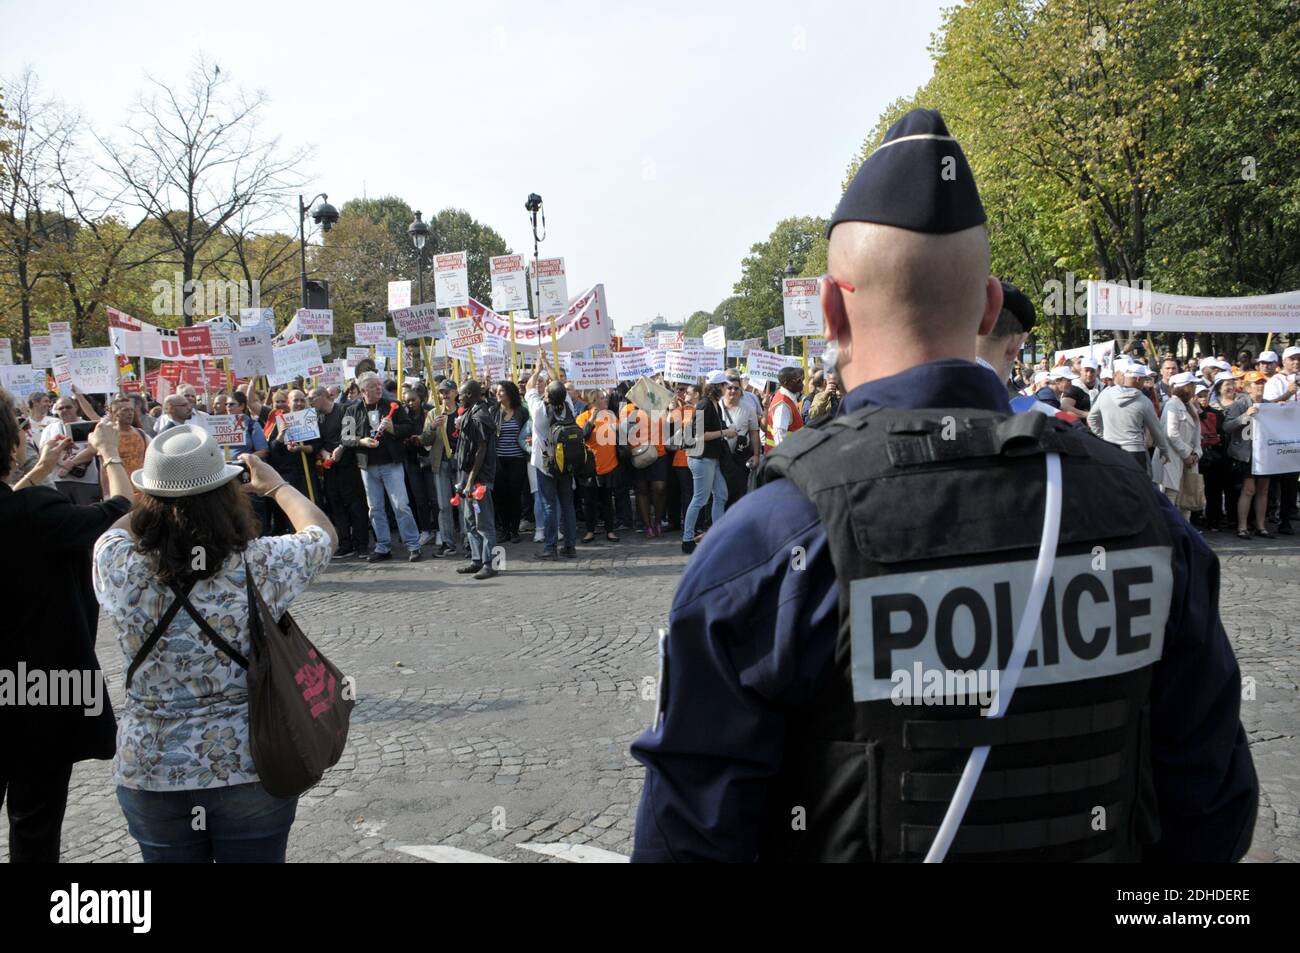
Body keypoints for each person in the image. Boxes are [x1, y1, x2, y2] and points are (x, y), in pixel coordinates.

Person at [630, 108, 1256, 863]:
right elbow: (1212, 813)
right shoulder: (1142, 515)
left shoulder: (765, 546)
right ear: (991, 305)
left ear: (830, 310)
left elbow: (689, 844)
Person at [91, 426, 337, 862]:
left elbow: (114, 529)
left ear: (147, 495)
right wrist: (276, 484)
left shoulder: (118, 564)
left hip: (152, 769)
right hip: (248, 764)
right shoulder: (259, 562)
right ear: (227, 493)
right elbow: (321, 535)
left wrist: (153, 498)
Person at [1, 393, 133, 862]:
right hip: (38, 692)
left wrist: (39, 474)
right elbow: (121, 511)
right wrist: (110, 452)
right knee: (34, 825)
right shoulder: (35, 513)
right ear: (12, 447)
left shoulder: (28, 507)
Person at [341, 373, 423, 563]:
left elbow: (409, 428)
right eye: (373, 386)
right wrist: (361, 441)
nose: (379, 388)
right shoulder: (351, 410)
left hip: (391, 464)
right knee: (375, 509)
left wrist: (393, 429)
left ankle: (413, 545)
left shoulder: (392, 405)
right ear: (363, 390)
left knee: (401, 505)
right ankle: (383, 546)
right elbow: (345, 438)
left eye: (379, 384)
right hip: (367, 467)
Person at [526, 356, 579, 558]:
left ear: (547, 394)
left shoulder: (539, 410)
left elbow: (530, 386)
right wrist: (548, 363)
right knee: (567, 504)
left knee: (549, 505)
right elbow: (557, 381)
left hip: (545, 465)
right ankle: (570, 546)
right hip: (566, 463)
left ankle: (550, 547)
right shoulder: (568, 405)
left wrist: (538, 368)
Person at [311, 385, 370, 560]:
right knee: (335, 505)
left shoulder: (346, 410)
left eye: (312, 398)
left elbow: (351, 433)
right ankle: (345, 544)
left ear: (322, 396)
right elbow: (316, 441)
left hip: (348, 465)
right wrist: (323, 452)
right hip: (330, 467)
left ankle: (361, 545)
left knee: (355, 505)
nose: (310, 402)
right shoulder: (316, 418)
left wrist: (341, 449)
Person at [1087, 364, 1174, 474]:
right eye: (1144, 379)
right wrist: (1164, 450)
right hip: (1135, 452)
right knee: (1137, 488)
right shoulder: (1144, 401)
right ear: (1138, 379)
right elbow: (1156, 429)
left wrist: (1103, 437)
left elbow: (1092, 419)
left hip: (1110, 450)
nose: (1144, 383)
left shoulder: (1105, 394)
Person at [452, 379, 499, 579]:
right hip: (467, 475)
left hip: (479, 478)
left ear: (470, 395)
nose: (458, 398)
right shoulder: (471, 411)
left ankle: (492, 564)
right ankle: (476, 559)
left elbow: (481, 449)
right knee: (470, 520)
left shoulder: (481, 415)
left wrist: (471, 480)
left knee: (484, 523)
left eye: (461, 395)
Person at [681, 373, 732, 554]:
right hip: (701, 458)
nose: (727, 388)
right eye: (725, 385)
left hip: (710, 458)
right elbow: (700, 435)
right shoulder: (705, 404)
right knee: (700, 499)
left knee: (721, 494)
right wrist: (725, 433)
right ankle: (687, 540)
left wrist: (726, 430)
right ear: (718, 386)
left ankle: (718, 536)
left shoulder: (713, 404)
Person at [1224, 371, 1271, 539]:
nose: (1259, 386)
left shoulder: (1267, 403)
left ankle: (1260, 525)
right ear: (1247, 387)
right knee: (1249, 489)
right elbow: (1227, 426)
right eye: (1255, 383)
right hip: (1247, 453)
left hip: (1264, 453)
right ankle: (1242, 526)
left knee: (1263, 489)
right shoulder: (1240, 403)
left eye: (1261, 383)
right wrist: (1245, 416)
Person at [418, 379, 460, 558]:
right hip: (440, 463)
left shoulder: (462, 411)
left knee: (465, 504)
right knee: (443, 506)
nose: (444, 395)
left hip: (459, 463)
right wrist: (432, 427)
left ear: (456, 393)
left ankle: (469, 541)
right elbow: (424, 440)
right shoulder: (434, 413)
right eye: (442, 392)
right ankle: (448, 542)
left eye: (448, 392)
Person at [1261, 345, 1300, 534]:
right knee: (1274, 481)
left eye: (1299, 359)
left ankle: (1287, 518)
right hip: (1277, 439)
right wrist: (1288, 395)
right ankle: (1270, 515)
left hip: (1296, 439)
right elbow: (1267, 406)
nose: (1296, 362)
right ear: (1283, 361)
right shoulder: (1275, 381)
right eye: (1292, 359)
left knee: (1291, 481)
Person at [1153, 372, 1201, 519]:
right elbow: (1171, 433)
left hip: (1188, 460)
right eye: (1190, 385)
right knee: (1169, 496)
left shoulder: (1190, 406)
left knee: (1187, 499)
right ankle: (1168, 533)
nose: (1193, 389)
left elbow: (1197, 434)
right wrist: (1187, 454)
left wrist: (1196, 454)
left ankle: (1185, 532)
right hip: (1171, 458)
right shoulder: (1172, 405)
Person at [39, 394, 102, 504]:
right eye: (61, 408)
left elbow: (93, 450)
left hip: (87, 481)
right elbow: (44, 452)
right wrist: (61, 454)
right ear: (55, 410)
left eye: (68, 407)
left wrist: (70, 464)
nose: (64, 410)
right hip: (59, 480)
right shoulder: (49, 429)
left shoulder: (88, 426)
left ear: (76, 407)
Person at [576, 389, 620, 543]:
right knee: (589, 502)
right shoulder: (583, 417)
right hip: (590, 467)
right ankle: (590, 531)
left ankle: (610, 530)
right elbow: (583, 436)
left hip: (609, 465)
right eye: (602, 398)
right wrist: (592, 419)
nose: (606, 400)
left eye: (605, 397)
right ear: (593, 402)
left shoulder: (611, 416)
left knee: (607, 500)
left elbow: (619, 434)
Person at [493, 381, 530, 544]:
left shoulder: (521, 412)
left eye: (501, 391)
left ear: (509, 393)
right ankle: (503, 529)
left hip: (517, 459)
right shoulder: (493, 411)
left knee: (515, 496)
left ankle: (514, 530)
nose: (498, 394)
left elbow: (527, 433)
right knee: (500, 496)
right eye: (497, 391)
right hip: (499, 460)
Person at [719, 372, 762, 508]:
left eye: (736, 388)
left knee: (739, 493)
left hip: (740, 458)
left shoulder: (748, 409)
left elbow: (754, 433)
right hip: (719, 458)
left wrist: (756, 455)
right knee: (721, 494)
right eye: (729, 388)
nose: (733, 391)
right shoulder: (716, 406)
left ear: (741, 390)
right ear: (723, 388)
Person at [765, 366, 804, 448]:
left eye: (801, 379)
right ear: (786, 384)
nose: (802, 383)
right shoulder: (782, 404)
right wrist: (784, 456)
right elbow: (779, 432)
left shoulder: (788, 397)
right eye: (798, 380)